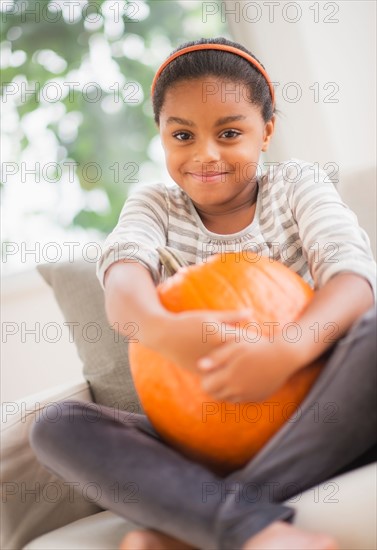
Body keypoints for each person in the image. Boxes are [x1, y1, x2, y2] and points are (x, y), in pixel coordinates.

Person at [30, 37, 376, 550]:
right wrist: (162, 328)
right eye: (183, 135)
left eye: (230, 132)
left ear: (266, 132)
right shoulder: (154, 206)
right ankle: (231, 518)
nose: (205, 154)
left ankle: (209, 525)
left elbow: (355, 279)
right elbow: (123, 282)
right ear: (161, 135)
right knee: (58, 425)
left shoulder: (296, 185)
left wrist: (286, 351)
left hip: (318, 414)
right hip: (198, 435)